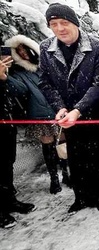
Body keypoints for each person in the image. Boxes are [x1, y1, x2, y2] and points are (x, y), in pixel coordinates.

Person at [39, 3, 99, 214]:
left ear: (75, 23)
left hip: (93, 111)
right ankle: (81, 196)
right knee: (76, 157)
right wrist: (60, 107)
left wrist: (78, 110)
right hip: (67, 115)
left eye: (64, 23)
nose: (60, 28)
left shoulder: (97, 46)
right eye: (54, 24)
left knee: (98, 156)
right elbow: (45, 82)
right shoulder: (46, 48)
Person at [4, 34, 70, 194]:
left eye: (25, 49)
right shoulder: (19, 73)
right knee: (47, 147)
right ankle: (54, 179)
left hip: (57, 112)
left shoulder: (45, 66)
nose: (23, 53)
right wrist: (5, 77)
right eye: (19, 51)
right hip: (39, 116)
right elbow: (20, 90)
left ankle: (67, 175)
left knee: (62, 145)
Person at [1, 55, 36, 229]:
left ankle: (9, 201)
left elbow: (20, 92)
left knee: (7, 164)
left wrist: (3, 78)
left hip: (6, 126)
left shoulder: (5, 74)